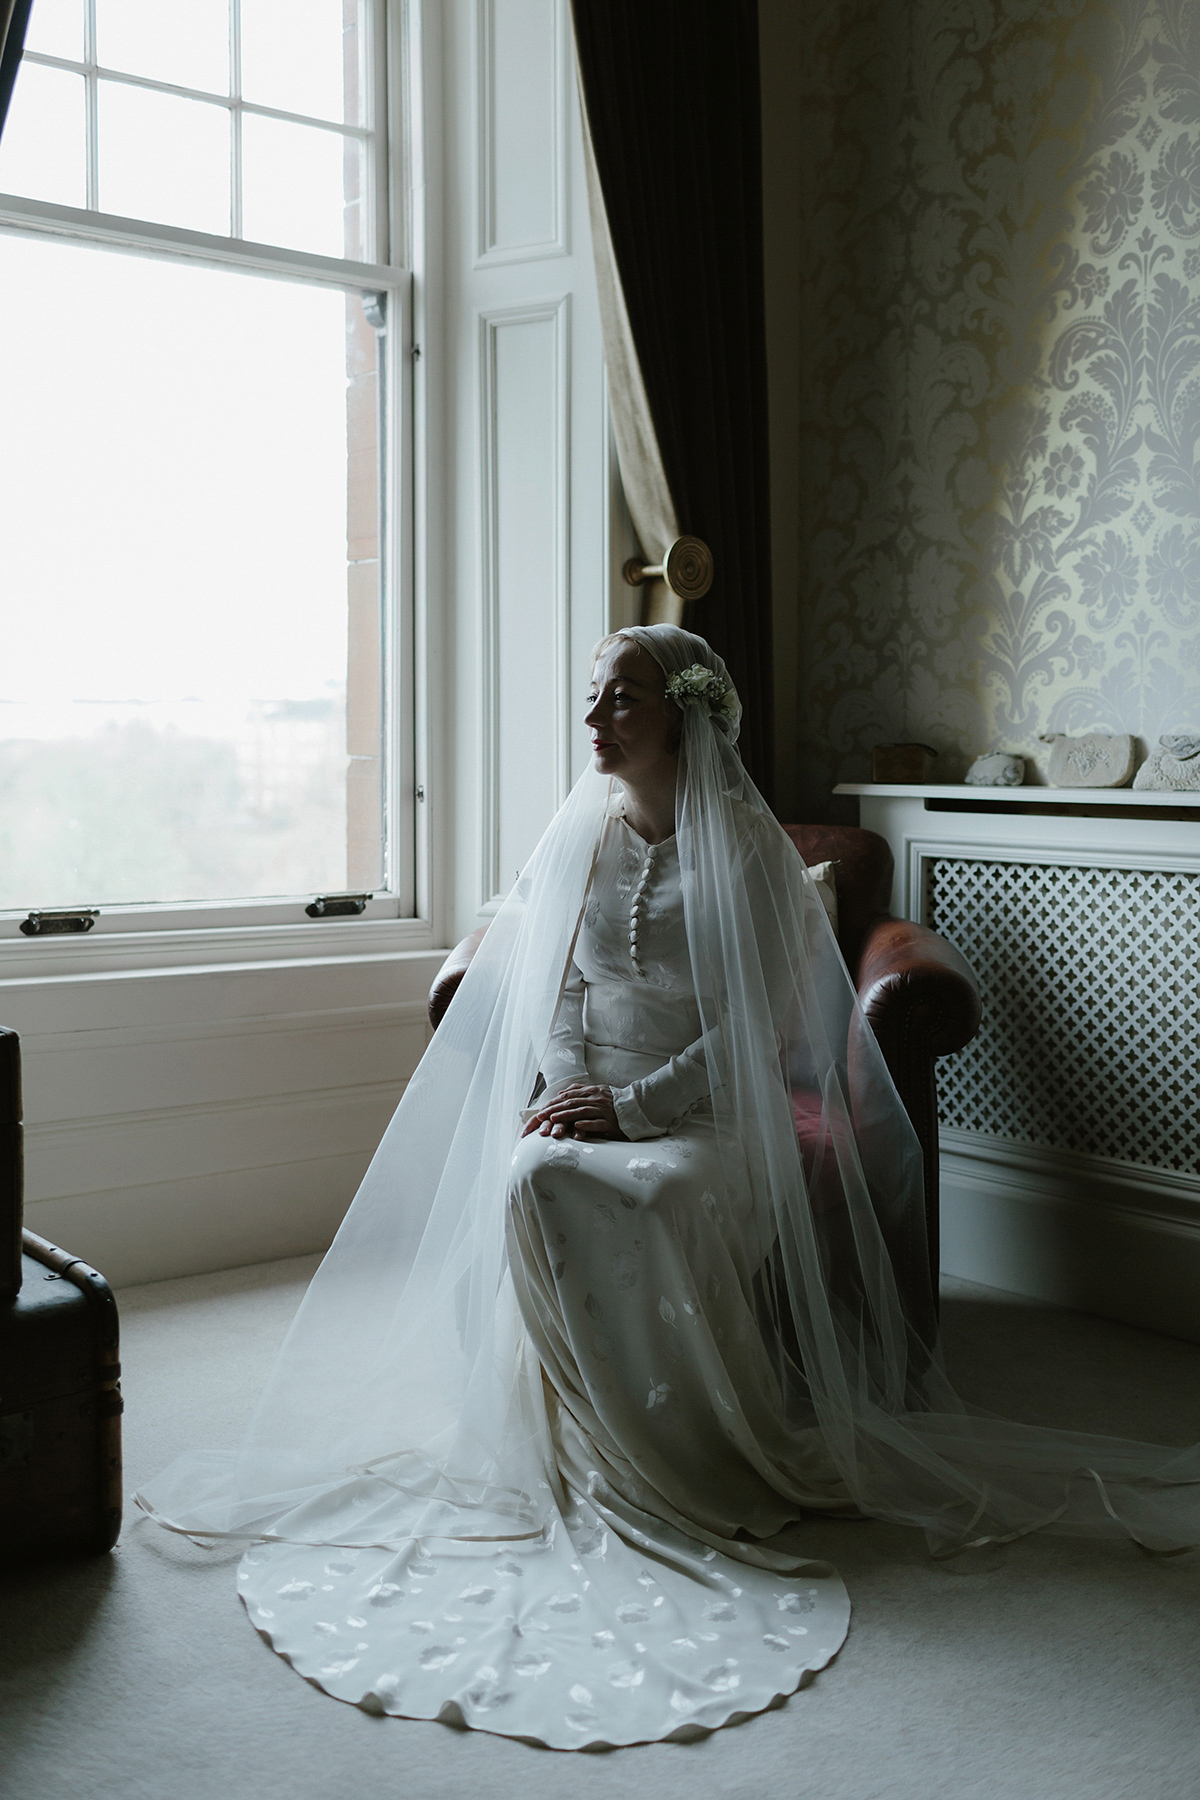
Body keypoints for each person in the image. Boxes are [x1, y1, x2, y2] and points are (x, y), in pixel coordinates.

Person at [138, 625, 1198, 1750]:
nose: (597, 720)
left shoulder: (744, 849)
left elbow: (757, 1032)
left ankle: (685, 1455)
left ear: (685, 718)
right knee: (536, 1175)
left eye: (624, 700)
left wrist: (636, 1111)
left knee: (633, 1191)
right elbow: (542, 981)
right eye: (593, 698)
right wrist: (565, 1092)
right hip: (589, 1094)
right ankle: (582, 1439)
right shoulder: (577, 836)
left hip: (714, 1116)